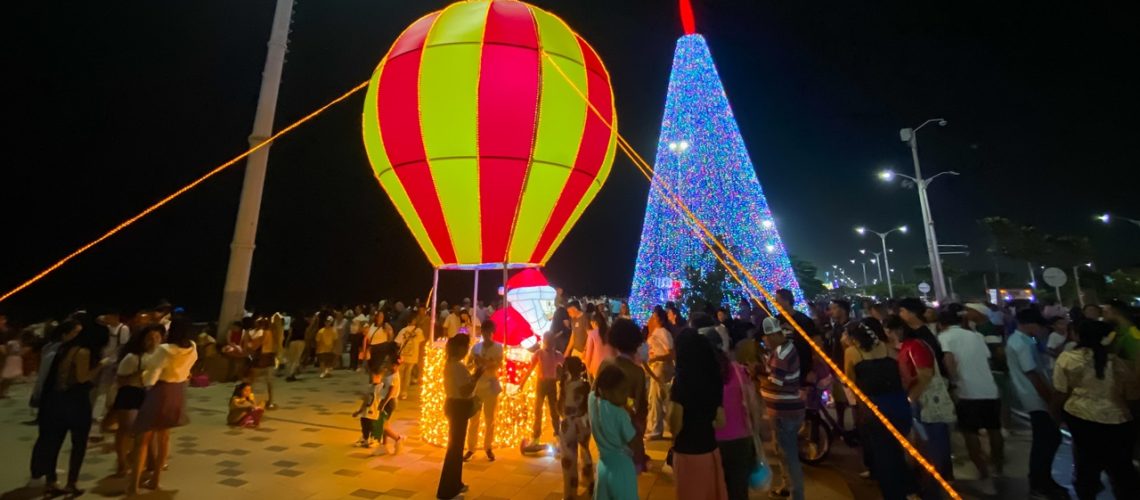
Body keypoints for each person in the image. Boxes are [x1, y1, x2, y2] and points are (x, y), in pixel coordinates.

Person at [1054, 319, 1140, 500]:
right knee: (1121, 468)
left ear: (1078, 335)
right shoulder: (1120, 364)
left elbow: (1060, 392)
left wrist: (1055, 415)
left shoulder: (1068, 358)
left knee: (1086, 464)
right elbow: (1132, 397)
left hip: (1081, 416)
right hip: (1118, 419)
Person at [29, 320, 105, 496]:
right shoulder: (83, 352)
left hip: (55, 401)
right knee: (78, 444)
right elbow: (82, 378)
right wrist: (102, 365)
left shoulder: (61, 349)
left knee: (53, 443)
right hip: (76, 402)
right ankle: (72, 483)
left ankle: (51, 482)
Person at [844, 319, 916, 499]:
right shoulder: (889, 349)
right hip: (898, 404)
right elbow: (905, 378)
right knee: (898, 449)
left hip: (874, 408)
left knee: (883, 454)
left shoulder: (852, 353)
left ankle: (893, 494)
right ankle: (910, 487)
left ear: (854, 337)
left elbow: (850, 382)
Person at [936, 305, 1003, 494]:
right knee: (994, 429)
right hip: (989, 389)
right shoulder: (977, 336)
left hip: (967, 392)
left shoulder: (944, 338)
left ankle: (984, 476)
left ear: (942, 324)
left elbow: (949, 360)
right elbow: (987, 359)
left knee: (970, 434)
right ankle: (998, 468)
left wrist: (954, 382)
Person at [127, 319, 198, 494]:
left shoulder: (165, 350)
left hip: (160, 391)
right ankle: (155, 480)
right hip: (178, 391)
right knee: (164, 438)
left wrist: (144, 379)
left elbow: (152, 375)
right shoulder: (192, 348)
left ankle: (133, 487)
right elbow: (189, 369)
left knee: (142, 439)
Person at [1007, 307, 1067, 498]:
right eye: (1040, 326)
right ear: (1031, 325)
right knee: (1046, 441)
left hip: (1033, 396)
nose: (1041, 330)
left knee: (1048, 439)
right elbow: (1032, 374)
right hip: (1035, 397)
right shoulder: (1022, 343)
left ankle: (1043, 480)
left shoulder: (1024, 340)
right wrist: (1050, 399)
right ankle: (1039, 483)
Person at [896, 298, 953, 484]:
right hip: (924, 390)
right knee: (932, 436)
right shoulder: (920, 334)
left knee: (934, 436)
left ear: (911, 313)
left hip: (926, 393)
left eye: (902, 311)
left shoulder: (919, 338)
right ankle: (940, 474)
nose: (900, 315)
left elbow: (926, 372)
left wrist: (912, 397)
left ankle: (938, 477)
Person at [669, 328, 728, 500]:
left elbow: (676, 423)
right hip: (710, 450)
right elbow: (720, 420)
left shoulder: (681, 382)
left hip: (687, 452)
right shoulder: (714, 379)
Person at [758, 317, 804, 500]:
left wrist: (757, 376)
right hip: (780, 410)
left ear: (776, 335)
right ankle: (787, 486)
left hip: (785, 411)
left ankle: (797, 494)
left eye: (767, 338)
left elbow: (776, 382)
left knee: (789, 455)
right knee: (782, 452)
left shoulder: (783, 354)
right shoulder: (780, 350)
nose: (765, 341)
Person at [714, 332, 763, 500]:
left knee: (717, 488)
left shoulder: (701, 373)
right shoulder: (739, 370)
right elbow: (753, 405)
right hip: (741, 438)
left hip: (713, 441)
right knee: (739, 489)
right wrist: (755, 433)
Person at [598, 318, 649, 472]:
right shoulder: (637, 372)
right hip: (628, 431)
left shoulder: (605, 365)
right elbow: (641, 408)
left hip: (606, 431)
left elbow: (595, 396)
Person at [436, 334, 483, 500]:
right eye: (466, 347)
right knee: (455, 450)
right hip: (458, 408)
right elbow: (465, 390)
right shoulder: (457, 366)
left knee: (455, 447)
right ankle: (447, 490)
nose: (467, 350)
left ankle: (455, 483)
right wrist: (477, 374)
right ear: (460, 348)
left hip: (453, 405)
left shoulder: (451, 365)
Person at [111, 325, 161, 476]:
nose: (154, 341)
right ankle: (122, 463)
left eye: (157, 338)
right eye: (150, 338)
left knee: (149, 431)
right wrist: (140, 374)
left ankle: (151, 462)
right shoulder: (132, 357)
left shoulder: (158, 355)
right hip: (130, 394)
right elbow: (120, 380)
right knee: (126, 430)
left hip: (148, 394)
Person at [590, 363, 638, 500]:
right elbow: (634, 441)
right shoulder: (619, 414)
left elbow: (594, 389)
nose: (626, 396)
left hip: (603, 466)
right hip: (621, 468)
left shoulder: (592, 402)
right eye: (622, 391)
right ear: (605, 390)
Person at [465, 319, 503, 461]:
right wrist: (476, 363)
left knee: (490, 419)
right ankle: (471, 448)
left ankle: (488, 447)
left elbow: (497, 365)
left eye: (489, 333)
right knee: (474, 419)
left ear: (493, 333)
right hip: (477, 388)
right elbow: (468, 365)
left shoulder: (499, 347)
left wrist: (482, 361)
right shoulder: (476, 348)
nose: (486, 336)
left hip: (491, 387)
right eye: (484, 333)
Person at [559, 357, 594, 498]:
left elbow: (559, 407)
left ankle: (569, 492)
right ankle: (590, 484)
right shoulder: (585, 385)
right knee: (585, 452)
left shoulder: (564, 385)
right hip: (583, 423)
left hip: (567, 425)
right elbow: (588, 406)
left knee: (568, 460)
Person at [523, 332, 564, 444]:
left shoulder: (555, 354)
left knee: (553, 411)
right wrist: (522, 383)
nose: (548, 345)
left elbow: (565, 365)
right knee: (538, 411)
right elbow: (531, 369)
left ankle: (557, 434)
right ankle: (536, 437)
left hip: (549, 384)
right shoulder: (539, 353)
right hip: (542, 384)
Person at [646, 308, 675, 440]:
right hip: (655, 367)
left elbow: (670, 353)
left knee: (656, 398)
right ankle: (666, 425)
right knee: (659, 398)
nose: (652, 319)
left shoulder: (663, 333)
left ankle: (656, 429)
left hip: (660, 368)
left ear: (661, 319)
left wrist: (656, 358)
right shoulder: (656, 332)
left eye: (655, 317)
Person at [243, 317, 277, 408]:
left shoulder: (262, 334)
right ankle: (271, 402)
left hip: (260, 360)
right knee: (270, 382)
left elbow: (253, 346)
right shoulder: (271, 333)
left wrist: (247, 340)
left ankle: (251, 402)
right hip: (270, 358)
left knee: (252, 382)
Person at [394, 315, 426, 400]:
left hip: (403, 355)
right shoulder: (419, 331)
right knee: (408, 374)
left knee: (400, 374)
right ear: (413, 321)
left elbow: (397, 343)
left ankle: (398, 391)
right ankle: (404, 392)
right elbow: (422, 342)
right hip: (413, 355)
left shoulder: (403, 330)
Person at [582, 310, 608, 378]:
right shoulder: (611, 331)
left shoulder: (592, 334)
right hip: (610, 366)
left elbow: (589, 353)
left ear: (595, 323)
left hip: (597, 367)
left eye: (591, 323)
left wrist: (587, 367)